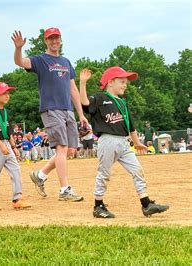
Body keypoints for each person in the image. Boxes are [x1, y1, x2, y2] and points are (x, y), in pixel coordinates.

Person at [79, 67, 169, 218]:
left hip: (124, 143)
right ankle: (98, 205)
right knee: (104, 173)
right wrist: (82, 84)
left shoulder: (123, 103)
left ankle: (146, 204)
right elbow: (85, 103)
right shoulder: (101, 98)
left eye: (126, 82)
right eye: (122, 81)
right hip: (107, 140)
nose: (125, 85)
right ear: (110, 82)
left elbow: (130, 126)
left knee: (137, 170)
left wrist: (137, 143)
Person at [12, 28, 87, 201]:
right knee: (61, 148)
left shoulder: (66, 62)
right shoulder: (40, 60)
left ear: (61, 39)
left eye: (56, 38)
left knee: (70, 150)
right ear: (46, 41)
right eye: (50, 38)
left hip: (67, 109)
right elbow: (20, 62)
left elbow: (73, 89)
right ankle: (64, 190)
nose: (54, 41)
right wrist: (18, 48)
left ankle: (40, 175)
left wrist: (81, 114)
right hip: (51, 108)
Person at [0, 82, 32, 211]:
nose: (7, 95)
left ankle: (17, 198)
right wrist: (1, 146)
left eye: (8, 93)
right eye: (4, 93)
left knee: (15, 169)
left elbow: (9, 130)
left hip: (5, 143)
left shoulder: (5, 111)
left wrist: (13, 146)